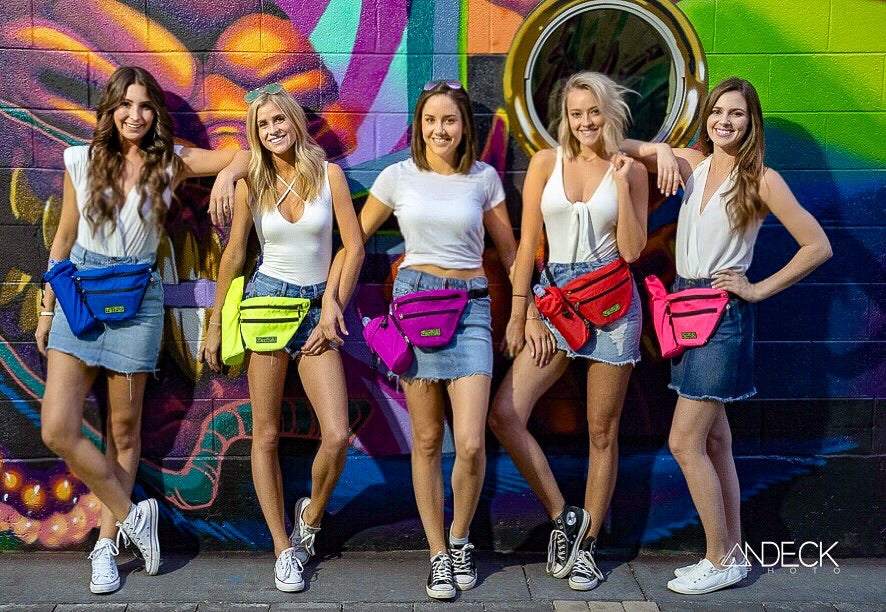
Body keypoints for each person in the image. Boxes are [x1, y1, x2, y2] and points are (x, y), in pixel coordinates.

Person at [36, 66, 249, 594]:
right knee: (57, 428)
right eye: (124, 105)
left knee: (123, 433)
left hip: (138, 301)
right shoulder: (79, 161)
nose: (134, 115)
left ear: (155, 114)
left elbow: (244, 153)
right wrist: (45, 309)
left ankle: (107, 546)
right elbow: (63, 237)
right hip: (78, 296)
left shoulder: (170, 163)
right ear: (108, 110)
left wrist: (224, 175)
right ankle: (136, 517)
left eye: (145, 106)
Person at [621, 77, 832, 594]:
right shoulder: (690, 164)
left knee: (684, 440)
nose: (725, 122)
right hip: (682, 309)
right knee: (716, 440)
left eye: (736, 114)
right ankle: (730, 554)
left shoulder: (762, 179)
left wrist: (758, 289)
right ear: (707, 118)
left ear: (750, 121)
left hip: (723, 314)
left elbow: (817, 245)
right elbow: (614, 145)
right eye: (718, 112)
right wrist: (660, 152)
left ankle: (718, 559)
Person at [331, 80, 516, 599]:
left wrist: (524, 309)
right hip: (415, 305)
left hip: (472, 306)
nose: (440, 129)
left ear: (464, 128)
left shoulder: (484, 179)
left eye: (449, 121)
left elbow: (510, 249)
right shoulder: (397, 176)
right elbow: (355, 240)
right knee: (429, 440)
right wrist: (332, 299)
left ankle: (461, 541)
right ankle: (437, 553)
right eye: (431, 120)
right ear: (419, 126)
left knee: (473, 443)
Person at [200, 84, 364, 592]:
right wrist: (212, 323)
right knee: (265, 434)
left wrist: (332, 303)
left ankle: (310, 518)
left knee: (336, 433)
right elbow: (233, 257)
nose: (273, 131)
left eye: (279, 121)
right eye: (263, 125)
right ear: (256, 133)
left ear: (295, 120)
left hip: (316, 308)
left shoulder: (329, 175)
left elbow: (352, 247)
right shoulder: (253, 181)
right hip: (266, 306)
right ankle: (282, 547)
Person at [489, 71, 648, 592]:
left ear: (609, 114)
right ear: (565, 116)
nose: (584, 122)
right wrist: (523, 313)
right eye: (576, 113)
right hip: (555, 302)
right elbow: (528, 245)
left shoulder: (629, 172)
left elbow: (630, 251)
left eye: (594, 112)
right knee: (505, 414)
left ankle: (588, 548)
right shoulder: (544, 164)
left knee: (603, 432)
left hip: (614, 306)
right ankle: (565, 516)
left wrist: (624, 185)